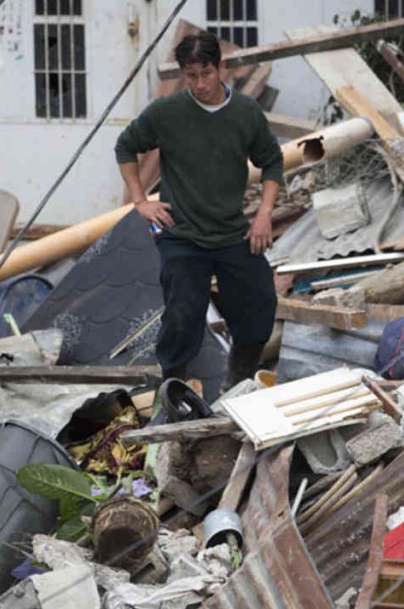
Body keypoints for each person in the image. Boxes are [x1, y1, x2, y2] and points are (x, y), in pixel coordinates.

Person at [114, 31, 284, 392]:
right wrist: (140, 201)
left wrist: (264, 214)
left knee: (259, 304)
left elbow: (272, 163)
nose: (200, 84)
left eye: (206, 74)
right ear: (182, 73)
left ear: (220, 67)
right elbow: (126, 147)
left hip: (232, 231)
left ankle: (238, 382)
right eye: (191, 76)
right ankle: (173, 390)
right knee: (182, 318)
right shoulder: (167, 112)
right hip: (182, 235)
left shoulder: (244, 113)